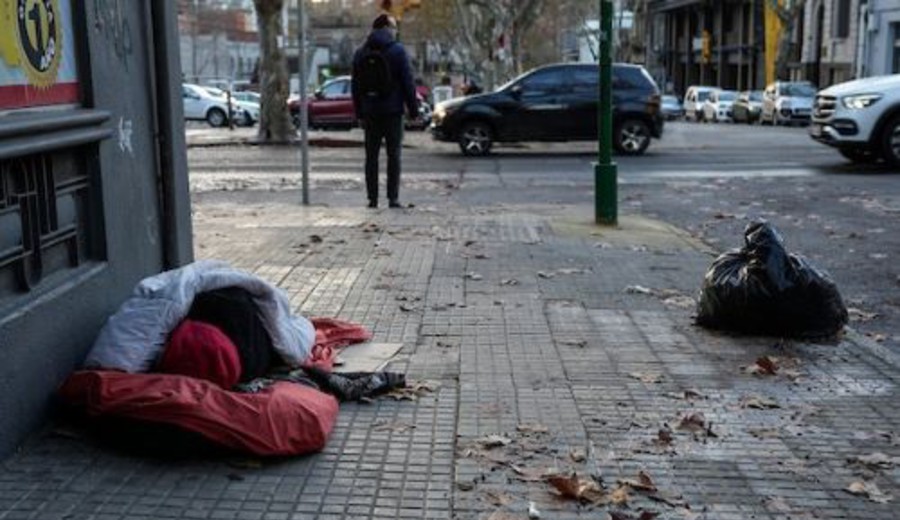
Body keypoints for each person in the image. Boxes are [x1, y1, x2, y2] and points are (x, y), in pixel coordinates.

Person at [351, 14, 418, 209]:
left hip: (370, 111)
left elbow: (356, 86)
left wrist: (359, 113)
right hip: (393, 111)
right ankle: (393, 198)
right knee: (393, 156)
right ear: (387, 27)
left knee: (371, 157)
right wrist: (413, 110)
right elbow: (408, 82)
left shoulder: (361, 52)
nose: (396, 31)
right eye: (394, 27)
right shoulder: (397, 50)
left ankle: (372, 199)